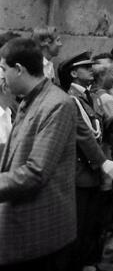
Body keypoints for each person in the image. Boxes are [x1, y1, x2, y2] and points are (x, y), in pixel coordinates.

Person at [0, 36, 77, 270]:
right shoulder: (29, 100)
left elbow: (36, 172)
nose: (2, 76)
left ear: (19, 69)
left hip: (42, 234)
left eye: (3, 69)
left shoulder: (57, 104)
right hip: (22, 227)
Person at [60, 50, 113, 271]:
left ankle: (89, 261)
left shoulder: (92, 97)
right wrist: (103, 162)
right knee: (80, 224)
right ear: (74, 73)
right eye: (86, 67)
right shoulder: (71, 100)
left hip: (94, 171)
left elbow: (99, 131)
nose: (91, 69)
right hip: (80, 171)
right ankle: (78, 264)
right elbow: (84, 135)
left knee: (93, 223)